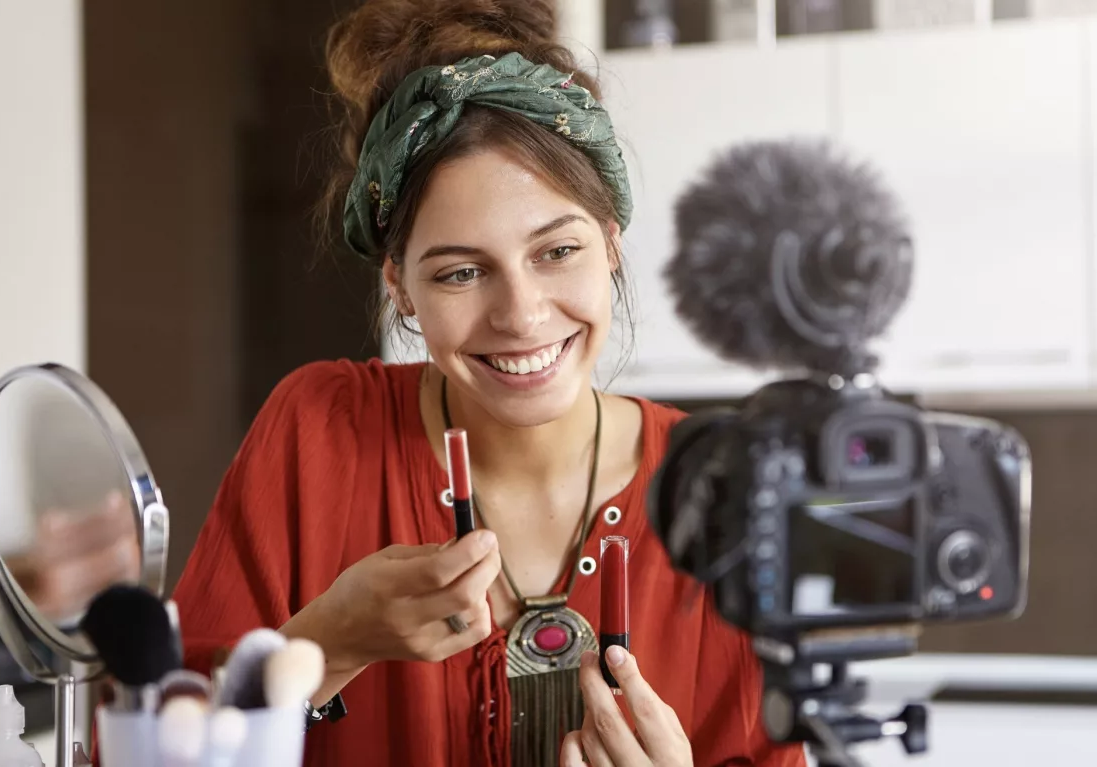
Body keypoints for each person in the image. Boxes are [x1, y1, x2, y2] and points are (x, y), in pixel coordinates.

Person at [172, 2, 808, 766]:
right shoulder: (318, 433)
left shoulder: (723, 494)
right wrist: (328, 643)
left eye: (556, 250)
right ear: (399, 287)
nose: (522, 314)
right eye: (461, 272)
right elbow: (160, 740)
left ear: (610, 242)